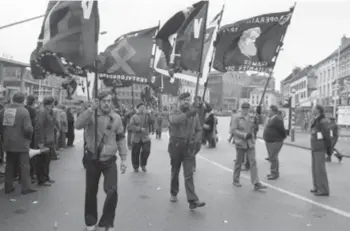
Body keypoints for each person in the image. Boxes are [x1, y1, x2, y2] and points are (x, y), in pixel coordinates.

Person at [75, 91, 127, 231]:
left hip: (109, 160)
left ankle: (107, 222)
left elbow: (121, 138)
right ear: (98, 102)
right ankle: (91, 221)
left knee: (112, 191)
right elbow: (77, 125)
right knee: (91, 191)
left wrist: (124, 159)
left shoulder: (116, 118)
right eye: (104, 101)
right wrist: (90, 109)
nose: (106, 103)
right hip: (92, 158)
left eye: (109, 101)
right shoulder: (91, 115)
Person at [168, 92, 205, 210]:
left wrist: (196, 140)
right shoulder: (174, 111)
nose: (186, 102)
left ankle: (192, 200)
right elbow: (174, 121)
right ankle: (174, 192)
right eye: (184, 100)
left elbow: (199, 129)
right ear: (179, 101)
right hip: (176, 145)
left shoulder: (194, 114)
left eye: (188, 100)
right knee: (175, 171)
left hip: (189, 147)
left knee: (189, 174)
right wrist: (188, 115)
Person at [0, 92, 36, 194]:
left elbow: (1, 127)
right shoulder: (24, 111)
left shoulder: (5, 110)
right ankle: (25, 188)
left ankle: (8, 187)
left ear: (13, 99)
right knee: (24, 165)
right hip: (21, 143)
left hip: (8, 142)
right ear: (23, 100)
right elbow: (28, 128)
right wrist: (29, 138)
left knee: (9, 164)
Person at [231, 102, 267, 190]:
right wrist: (243, 135)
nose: (245, 110)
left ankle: (256, 182)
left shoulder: (252, 117)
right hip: (240, 142)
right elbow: (233, 130)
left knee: (253, 162)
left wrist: (259, 113)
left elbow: (260, 123)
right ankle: (236, 180)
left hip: (250, 142)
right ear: (241, 108)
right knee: (239, 162)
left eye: (247, 108)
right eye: (244, 108)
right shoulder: (236, 117)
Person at [35, 96, 57, 186]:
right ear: (48, 104)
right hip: (44, 140)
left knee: (47, 160)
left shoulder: (48, 112)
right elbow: (38, 127)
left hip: (49, 140)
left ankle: (46, 177)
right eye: (52, 103)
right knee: (42, 161)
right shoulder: (42, 112)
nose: (53, 105)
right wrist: (40, 142)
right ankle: (42, 179)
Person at [310, 104, 331, 196]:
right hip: (315, 147)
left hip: (320, 148)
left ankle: (323, 189)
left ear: (318, 110)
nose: (311, 110)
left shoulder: (323, 121)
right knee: (315, 169)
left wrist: (328, 151)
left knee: (320, 170)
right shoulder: (316, 119)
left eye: (313, 108)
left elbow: (327, 136)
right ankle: (317, 186)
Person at [263, 105, 286, 180]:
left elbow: (282, 130)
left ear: (273, 111)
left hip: (275, 141)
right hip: (270, 140)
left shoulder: (277, 119)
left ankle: (274, 173)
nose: (268, 112)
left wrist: (281, 137)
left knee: (273, 157)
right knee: (272, 157)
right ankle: (273, 172)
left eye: (269, 111)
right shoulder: (271, 118)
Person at [128, 103, 152, 172]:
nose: (142, 109)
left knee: (146, 151)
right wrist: (139, 129)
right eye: (141, 107)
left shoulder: (147, 116)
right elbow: (130, 126)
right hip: (136, 138)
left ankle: (143, 164)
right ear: (138, 109)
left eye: (144, 107)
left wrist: (150, 114)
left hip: (145, 137)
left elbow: (152, 121)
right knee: (135, 153)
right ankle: (135, 166)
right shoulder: (134, 117)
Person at [25, 95, 37, 182]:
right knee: (31, 154)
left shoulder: (24, 108)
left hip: (23, 135)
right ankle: (31, 174)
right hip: (31, 135)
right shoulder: (32, 110)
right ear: (33, 102)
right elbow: (34, 123)